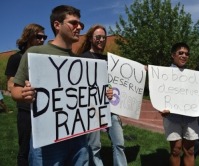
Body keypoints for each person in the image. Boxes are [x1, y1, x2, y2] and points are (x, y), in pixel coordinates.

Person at [11, 5, 111, 166]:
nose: (79, 27)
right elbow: (15, 90)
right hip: (47, 142)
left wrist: (102, 95)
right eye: (73, 23)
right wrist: (24, 94)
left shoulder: (79, 60)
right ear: (57, 25)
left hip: (79, 138)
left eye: (81, 25)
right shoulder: (35, 53)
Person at [81, 24, 128, 166]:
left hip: (110, 108)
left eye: (104, 37)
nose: (101, 40)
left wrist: (139, 70)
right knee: (94, 146)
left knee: (119, 143)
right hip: (92, 108)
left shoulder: (109, 60)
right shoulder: (82, 58)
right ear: (90, 38)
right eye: (98, 37)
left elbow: (116, 81)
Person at [4, 23, 46, 166]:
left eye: (44, 37)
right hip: (25, 111)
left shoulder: (43, 57)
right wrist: (24, 92)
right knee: (25, 149)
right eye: (39, 37)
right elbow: (10, 85)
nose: (42, 40)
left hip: (43, 109)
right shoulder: (16, 58)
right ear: (28, 37)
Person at [161, 42, 198, 166]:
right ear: (173, 55)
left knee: (190, 150)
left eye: (187, 54)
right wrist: (161, 108)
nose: (184, 56)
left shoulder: (193, 76)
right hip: (172, 117)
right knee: (176, 150)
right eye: (180, 53)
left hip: (191, 118)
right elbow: (159, 93)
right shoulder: (163, 73)